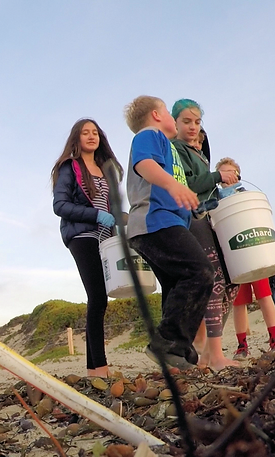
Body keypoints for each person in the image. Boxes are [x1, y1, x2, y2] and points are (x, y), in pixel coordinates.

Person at [123, 96, 214, 371]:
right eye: (167, 111)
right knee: (200, 272)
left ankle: (177, 351)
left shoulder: (172, 148)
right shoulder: (149, 134)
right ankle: (166, 343)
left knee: (176, 286)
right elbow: (145, 165)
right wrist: (173, 186)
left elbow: (178, 188)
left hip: (167, 222)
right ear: (156, 114)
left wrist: (192, 205)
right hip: (154, 222)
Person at [170, 99, 240, 371]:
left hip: (210, 217)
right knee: (215, 281)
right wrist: (217, 176)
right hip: (193, 217)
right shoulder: (176, 149)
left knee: (232, 280)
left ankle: (210, 350)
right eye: (186, 121)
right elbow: (188, 184)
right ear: (175, 122)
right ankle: (215, 354)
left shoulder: (196, 152)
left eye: (197, 122)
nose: (192, 127)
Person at [52, 119, 123, 379]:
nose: (91, 136)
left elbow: (111, 207)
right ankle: (100, 368)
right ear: (77, 138)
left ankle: (94, 369)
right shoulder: (70, 167)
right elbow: (60, 205)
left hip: (105, 238)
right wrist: (96, 215)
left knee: (100, 299)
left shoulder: (106, 170)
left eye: (95, 132)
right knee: (97, 297)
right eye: (85, 132)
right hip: (82, 235)